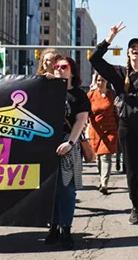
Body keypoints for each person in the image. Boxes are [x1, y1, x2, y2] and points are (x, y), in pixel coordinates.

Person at [89, 21, 138, 236]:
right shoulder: (119, 74)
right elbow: (94, 59)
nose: (134, 49)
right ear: (128, 54)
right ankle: (135, 207)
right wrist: (109, 38)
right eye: (131, 47)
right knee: (132, 173)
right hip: (127, 127)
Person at [44, 56, 91, 250]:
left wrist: (70, 142)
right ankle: (53, 227)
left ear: (72, 71)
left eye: (64, 67)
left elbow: (80, 121)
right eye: (56, 67)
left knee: (67, 190)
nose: (59, 70)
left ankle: (66, 230)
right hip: (47, 144)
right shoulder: (47, 91)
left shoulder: (79, 95)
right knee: (51, 190)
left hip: (68, 144)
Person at [87, 73, 119, 195]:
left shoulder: (112, 94)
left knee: (106, 156)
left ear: (107, 82)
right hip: (95, 130)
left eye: (103, 80)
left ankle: (104, 183)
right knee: (98, 158)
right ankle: (101, 179)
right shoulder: (90, 95)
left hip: (110, 129)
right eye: (98, 80)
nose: (100, 83)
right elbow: (84, 111)